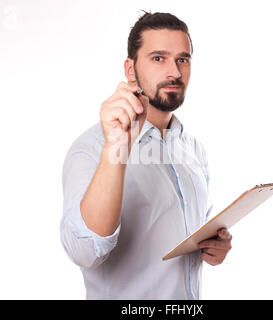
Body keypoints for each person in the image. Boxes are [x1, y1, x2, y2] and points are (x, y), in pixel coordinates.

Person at [60, 11, 232, 300]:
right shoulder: (90, 149)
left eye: (183, 59)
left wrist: (215, 246)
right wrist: (116, 149)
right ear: (130, 69)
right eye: (158, 58)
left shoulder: (193, 149)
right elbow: (85, 252)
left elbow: (190, 233)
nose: (175, 72)